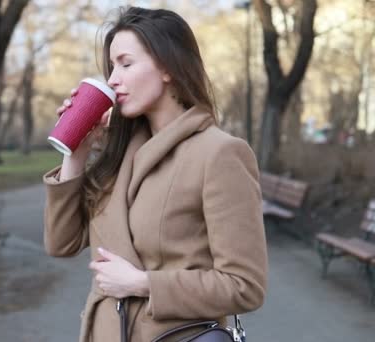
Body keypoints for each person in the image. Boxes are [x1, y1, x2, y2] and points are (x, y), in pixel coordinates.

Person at [43, 6, 267, 342]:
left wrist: (142, 283)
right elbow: (62, 243)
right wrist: (77, 154)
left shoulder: (219, 154)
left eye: (126, 63)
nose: (113, 78)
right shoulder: (117, 157)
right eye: (111, 66)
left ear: (167, 67)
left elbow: (245, 286)